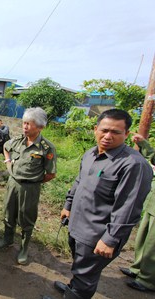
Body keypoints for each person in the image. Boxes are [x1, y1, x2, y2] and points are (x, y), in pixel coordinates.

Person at [53, 109, 152, 299]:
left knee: (86, 275)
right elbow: (79, 181)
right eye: (104, 130)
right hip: (77, 225)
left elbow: (128, 207)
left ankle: (76, 293)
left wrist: (110, 239)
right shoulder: (91, 154)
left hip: (97, 234)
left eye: (116, 132)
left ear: (127, 134)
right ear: (95, 129)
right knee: (80, 268)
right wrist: (68, 205)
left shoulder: (133, 165)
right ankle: (73, 289)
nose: (108, 136)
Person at [0, 107, 56, 265]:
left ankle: (24, 248)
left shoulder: (46, 148)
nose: (25, 127)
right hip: (12, 184)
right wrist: (8, 163)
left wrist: (33, 181)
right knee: (9, 213)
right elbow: (5, 148)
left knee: (26, 218)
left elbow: (50, 174)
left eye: (29, 124)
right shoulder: (17, 140)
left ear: (40, 127)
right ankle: (7, 239)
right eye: (24, 123)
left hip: (30, 188)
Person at [119, 132, 155, 293]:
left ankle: (148, 280)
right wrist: (144, 144)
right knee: (143, 238)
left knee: (153, 245)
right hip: (152, 203)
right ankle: (138, 268)